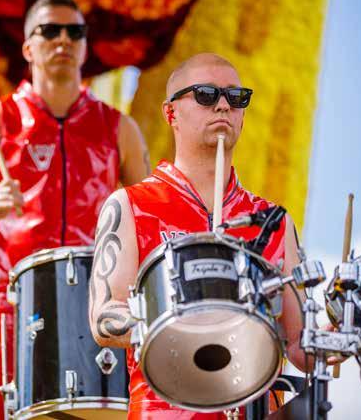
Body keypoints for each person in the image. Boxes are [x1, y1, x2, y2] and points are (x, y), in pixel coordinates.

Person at [0, 0, 150, 420]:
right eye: (49, 31)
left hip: (96, 308)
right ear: (28, 46)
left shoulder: (120, 128)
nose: (62, 40)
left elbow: (149, 225)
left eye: (74, 32)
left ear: (84, 45)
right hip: (9, 301)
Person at [89, 53, 335, 419]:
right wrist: (186, 320)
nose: (223, 105)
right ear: (171, 113)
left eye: (237, 98)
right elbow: (103, 320)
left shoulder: (273, 221)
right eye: (205, 94)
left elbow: (298, 345)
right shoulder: (130, 204)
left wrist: (335, 336)